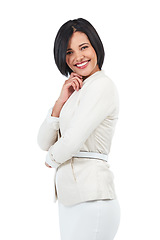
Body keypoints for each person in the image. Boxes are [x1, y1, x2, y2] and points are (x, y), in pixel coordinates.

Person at [37, 18, 121, 240]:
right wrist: (60, 102)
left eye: (84, 47)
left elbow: (72, 140)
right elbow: (43, 141)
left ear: (95, 46)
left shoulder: (102, 85)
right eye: (69, 52)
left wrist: (51, 158)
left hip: (92, 199)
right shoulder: (76, 90)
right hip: (71, 199)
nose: (77, 58)